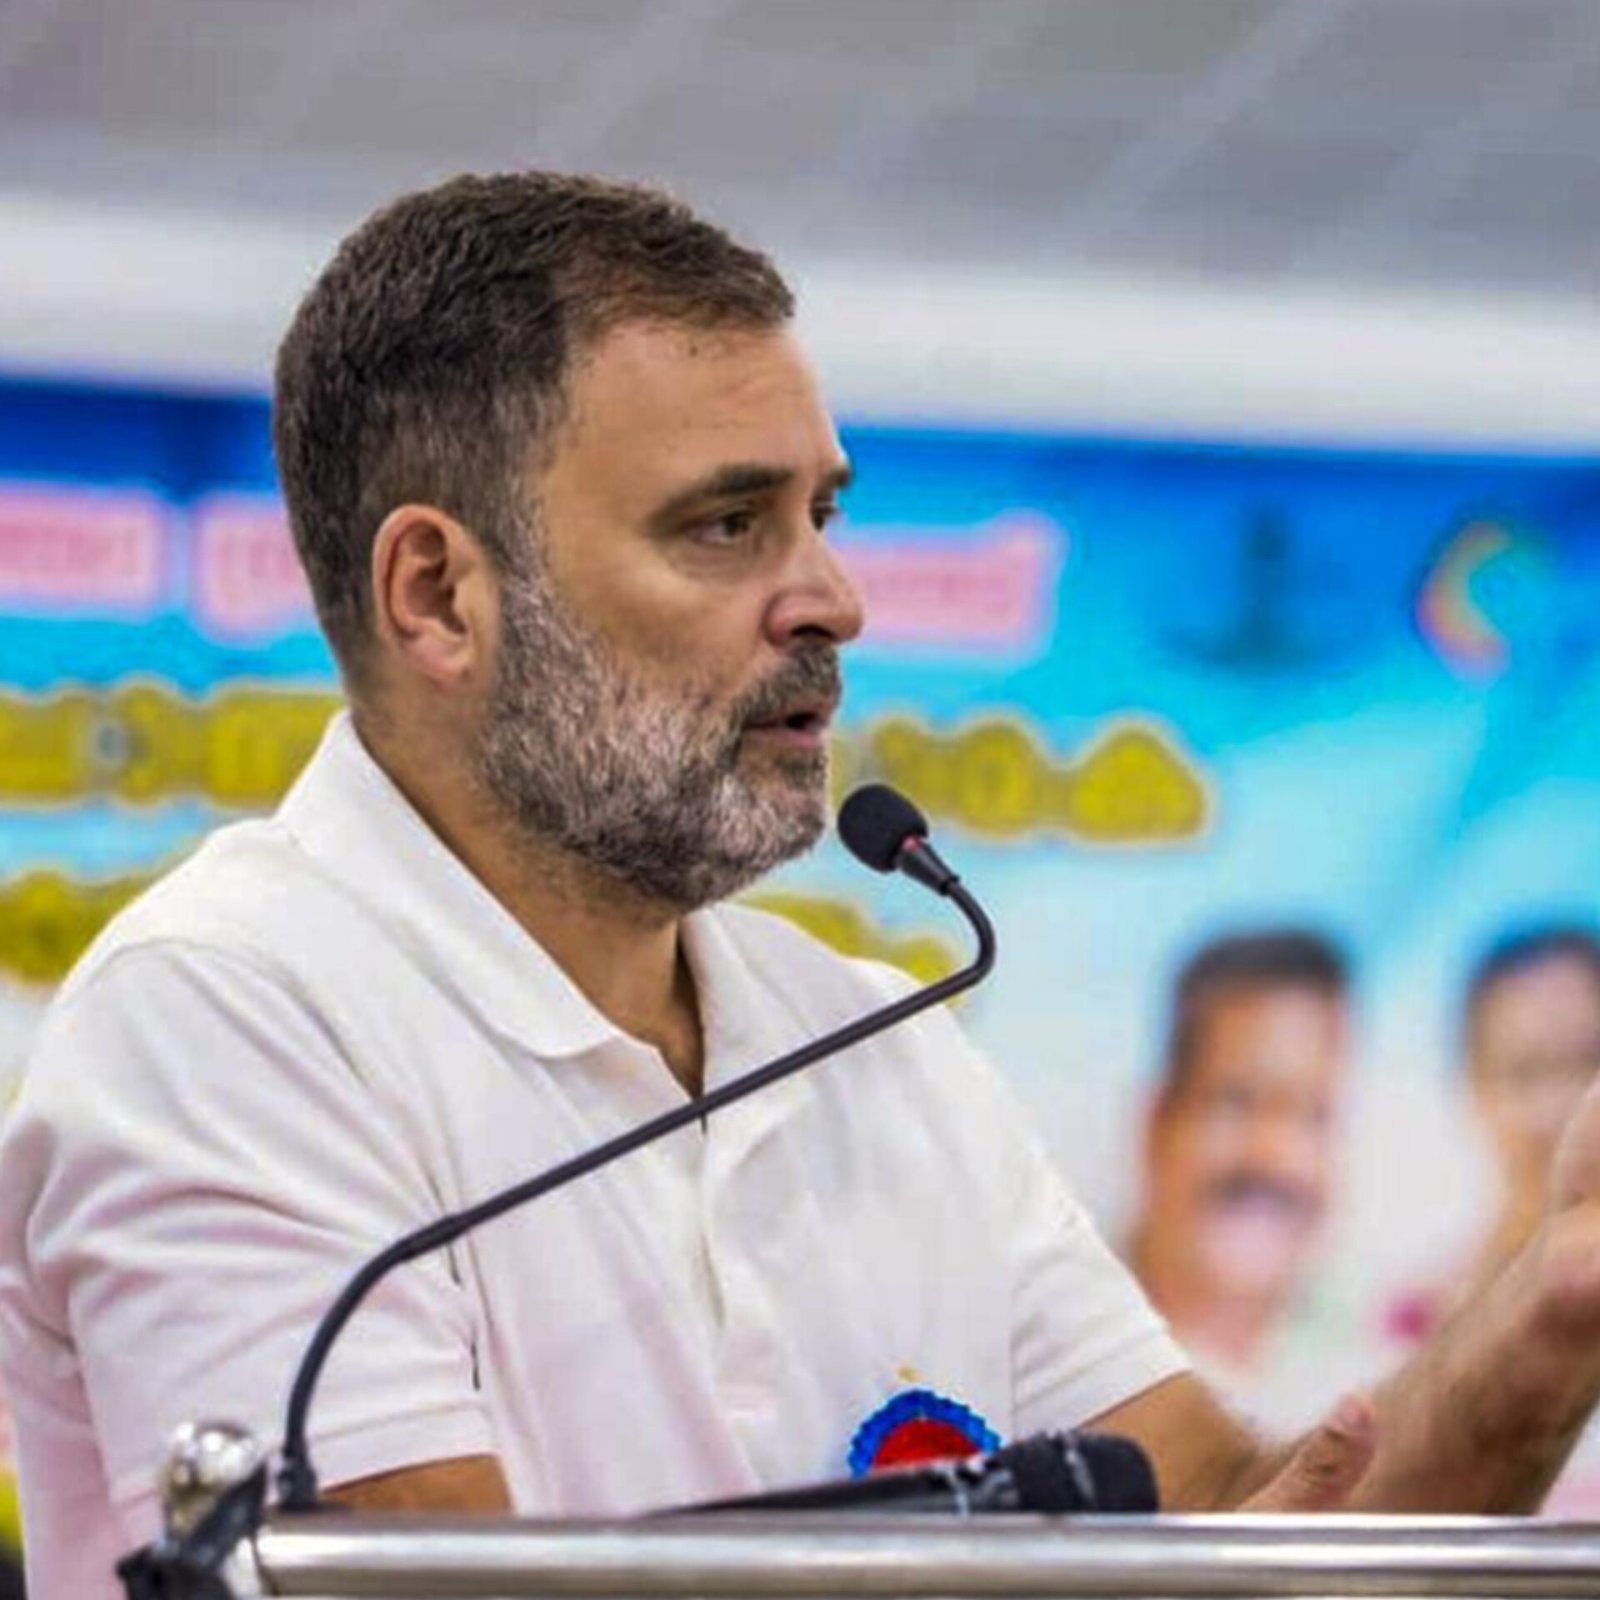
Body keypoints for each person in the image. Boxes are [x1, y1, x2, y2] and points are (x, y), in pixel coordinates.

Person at [3, 172, 1600, 1597]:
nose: (833, 597)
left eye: (820, 515)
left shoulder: (867, 1041)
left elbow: (1254, 1547)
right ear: (437, 595)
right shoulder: (223, 1019)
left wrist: (1556, 1308)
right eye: (725, 526)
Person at [1383, 925, 1600, 1510]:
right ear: (1474, 1086)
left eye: (1588, 1064)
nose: (1562, 1107)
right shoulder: (1406, 1325)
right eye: (1525, 1073)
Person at [1127, 931, 1350, 1397]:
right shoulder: (1047, 1344)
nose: (1274, 1154)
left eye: (1312, 1114)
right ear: (1158, 1122)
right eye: (1237, 1102)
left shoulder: (1365, 1369)